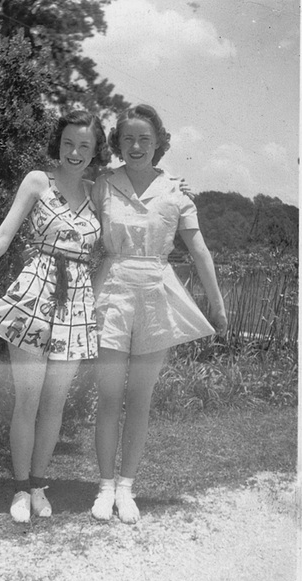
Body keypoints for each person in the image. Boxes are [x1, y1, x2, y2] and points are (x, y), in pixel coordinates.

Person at [0, 110, 110, 523]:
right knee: (27, 399)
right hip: (34, 295)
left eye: (85, 146)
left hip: (76, 304)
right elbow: (4, 235)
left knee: (55, 404)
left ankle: (39, 485)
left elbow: (124, 241)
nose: (75, 153)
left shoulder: (100, 194)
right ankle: (21, 490)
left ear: (96, 152)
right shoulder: (38, 182)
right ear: (57, 145)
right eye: (68, 144)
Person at [90, 104, 228, 524]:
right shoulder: (103, 185)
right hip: (111, 291)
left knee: (140, 398)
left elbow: (199, 250)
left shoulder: (176, 192)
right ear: (117, 143)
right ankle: (104, 487)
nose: (136, 146)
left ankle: (127, 487)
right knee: (110, 397)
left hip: (156, 294)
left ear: (159, 144)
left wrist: (218, 306)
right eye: (128, 138)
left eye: (145, 139)